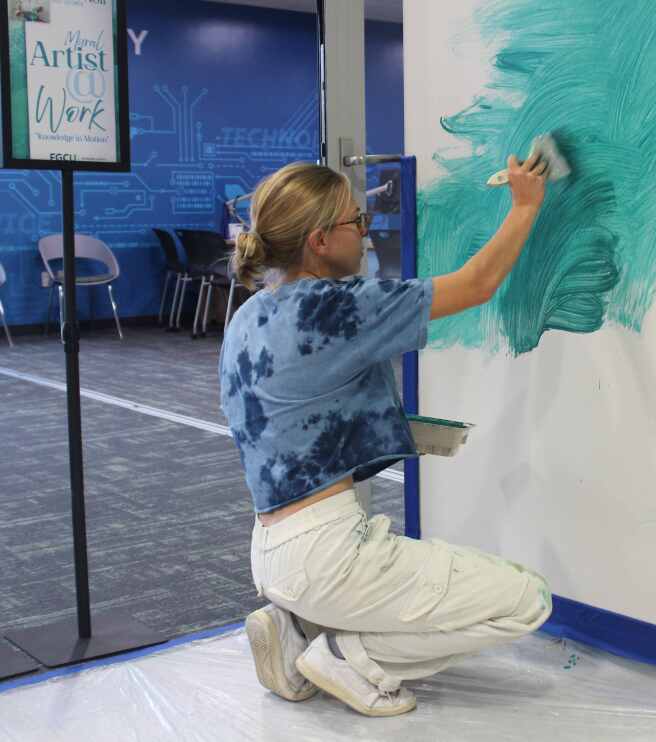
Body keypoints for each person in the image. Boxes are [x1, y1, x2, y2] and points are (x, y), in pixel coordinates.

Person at [219, 153, 553, 718]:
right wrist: (525, 205)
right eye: (359, 224)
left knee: (367, 590)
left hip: (271, 550)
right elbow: (477, 284)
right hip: (328, 555)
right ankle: (352, 656)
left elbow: (299, 417)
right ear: (321, 240)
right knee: (526, 601)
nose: (367, 237)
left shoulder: (249, 317)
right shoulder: (335, 308)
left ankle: (296, 629)